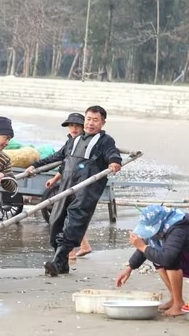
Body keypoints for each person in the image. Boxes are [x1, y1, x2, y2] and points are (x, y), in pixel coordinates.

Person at [42, 106, 122, 277]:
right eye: (88, 119)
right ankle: (62, 265)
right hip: (67, 186)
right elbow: (57, 157)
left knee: (74, 223)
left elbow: (113, 154)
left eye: (95, 120)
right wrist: (34, 167)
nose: (90, 123)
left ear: (102, 123)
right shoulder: (74, 140)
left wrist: (114, 162)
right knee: (55, 222)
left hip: (87, 189)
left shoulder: (105, 141)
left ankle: (57, 261)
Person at [115, 205, 189, 317]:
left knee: (169, 259)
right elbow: (148, 246)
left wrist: (142, 247)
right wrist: (129, 268)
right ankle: (174, 298)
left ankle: (178, 304)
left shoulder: (177, 229)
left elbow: (167, 258)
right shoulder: (162, 229)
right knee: (157, 257)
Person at [26, 112, 93, 261]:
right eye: (71, 125)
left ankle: (70, 252)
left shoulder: (87, 143)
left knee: (67, 216)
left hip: (81, 184)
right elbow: (61, 160)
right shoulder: (71, 142)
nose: (74, 128)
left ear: (83, 127)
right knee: (70, 215)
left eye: (77, 126)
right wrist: (41, 169)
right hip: (69, 182)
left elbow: (77, 166)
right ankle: (83, 247)